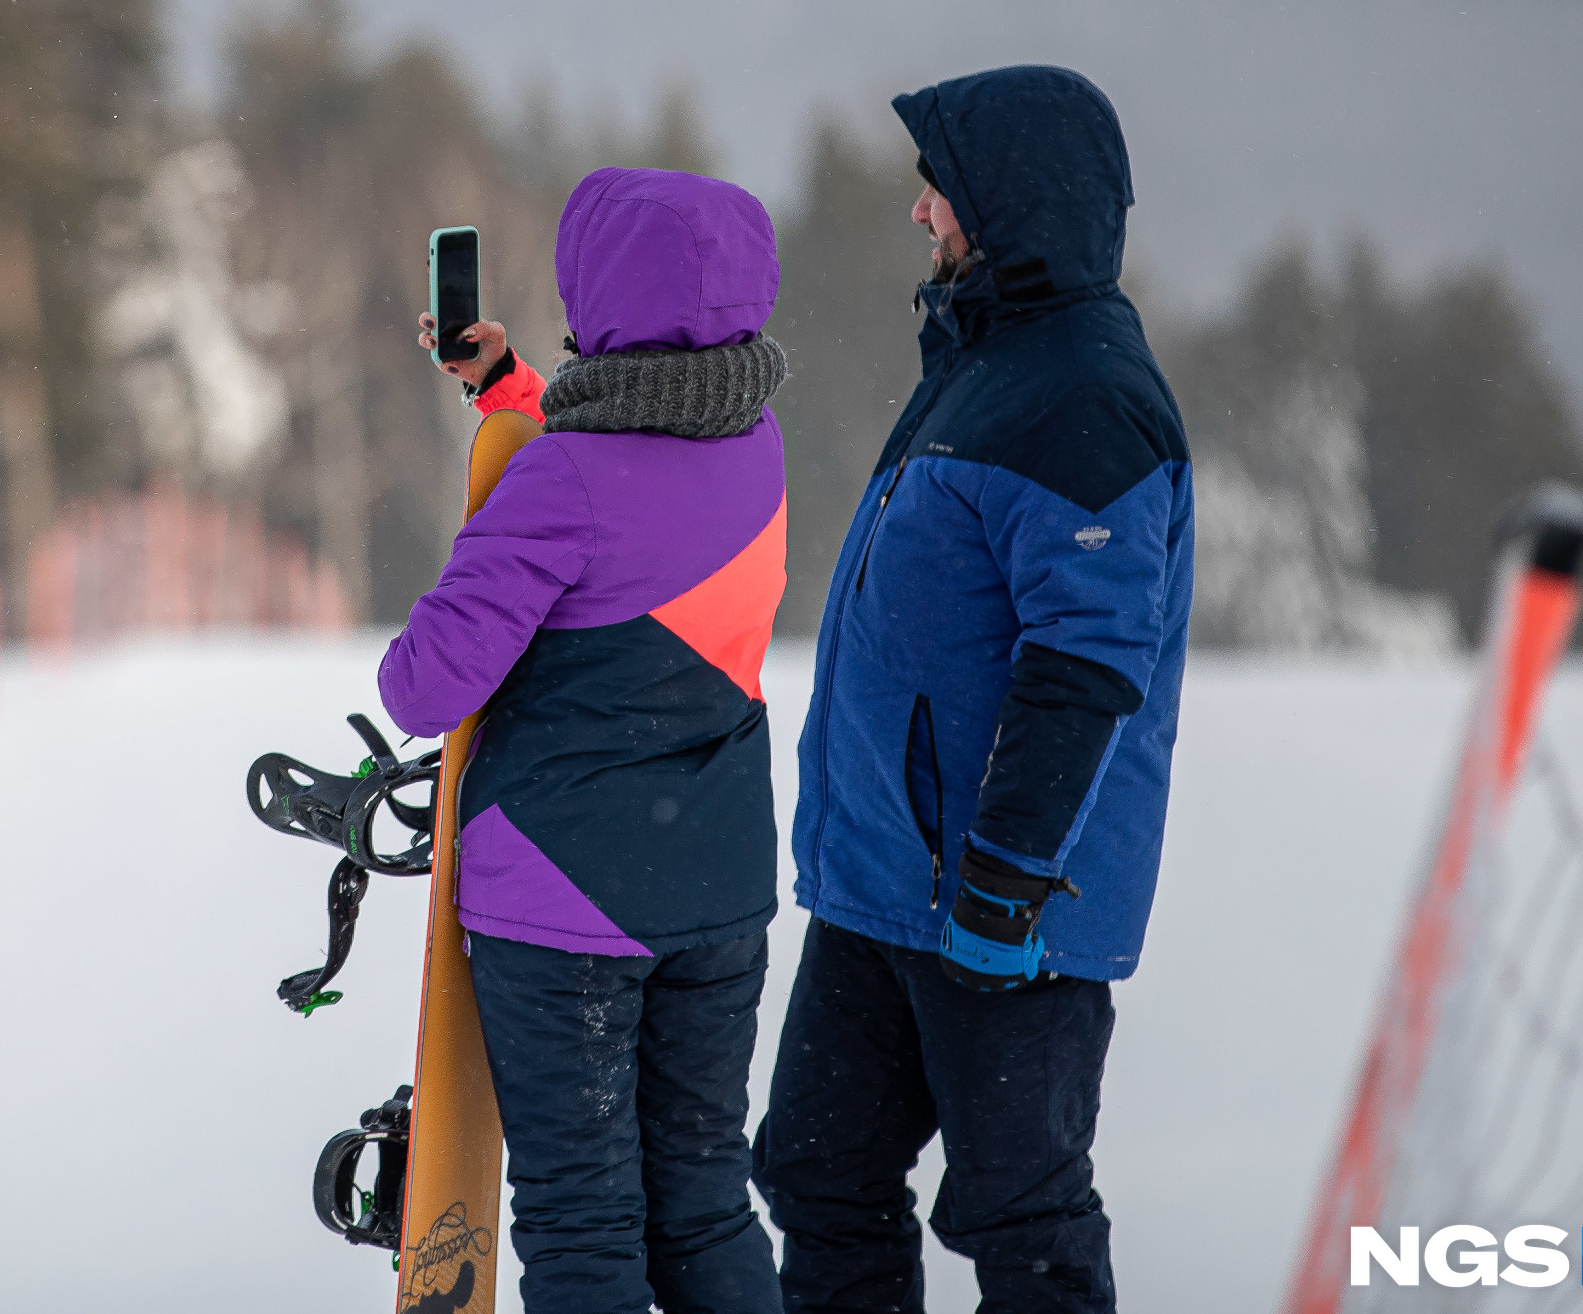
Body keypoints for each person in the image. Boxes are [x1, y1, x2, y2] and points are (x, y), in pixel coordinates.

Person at [759, 65, 1192, 1313]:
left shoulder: (1086, 397)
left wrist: (1004, 883)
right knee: (819, 1169)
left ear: (1004, 200)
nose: (919, 212)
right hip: (886, 885)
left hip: (1002, 904)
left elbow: (1089, 657)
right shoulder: (986, 355)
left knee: (1021, 1213)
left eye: (936, 186)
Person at [384, 166, 794, 1314]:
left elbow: (425, 683)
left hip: (567, 906)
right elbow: (642, 468)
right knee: (705, 1203)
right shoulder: (754, 440)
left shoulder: (561, 478)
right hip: (717, 894)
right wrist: (510, 387)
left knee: (582, 1219)